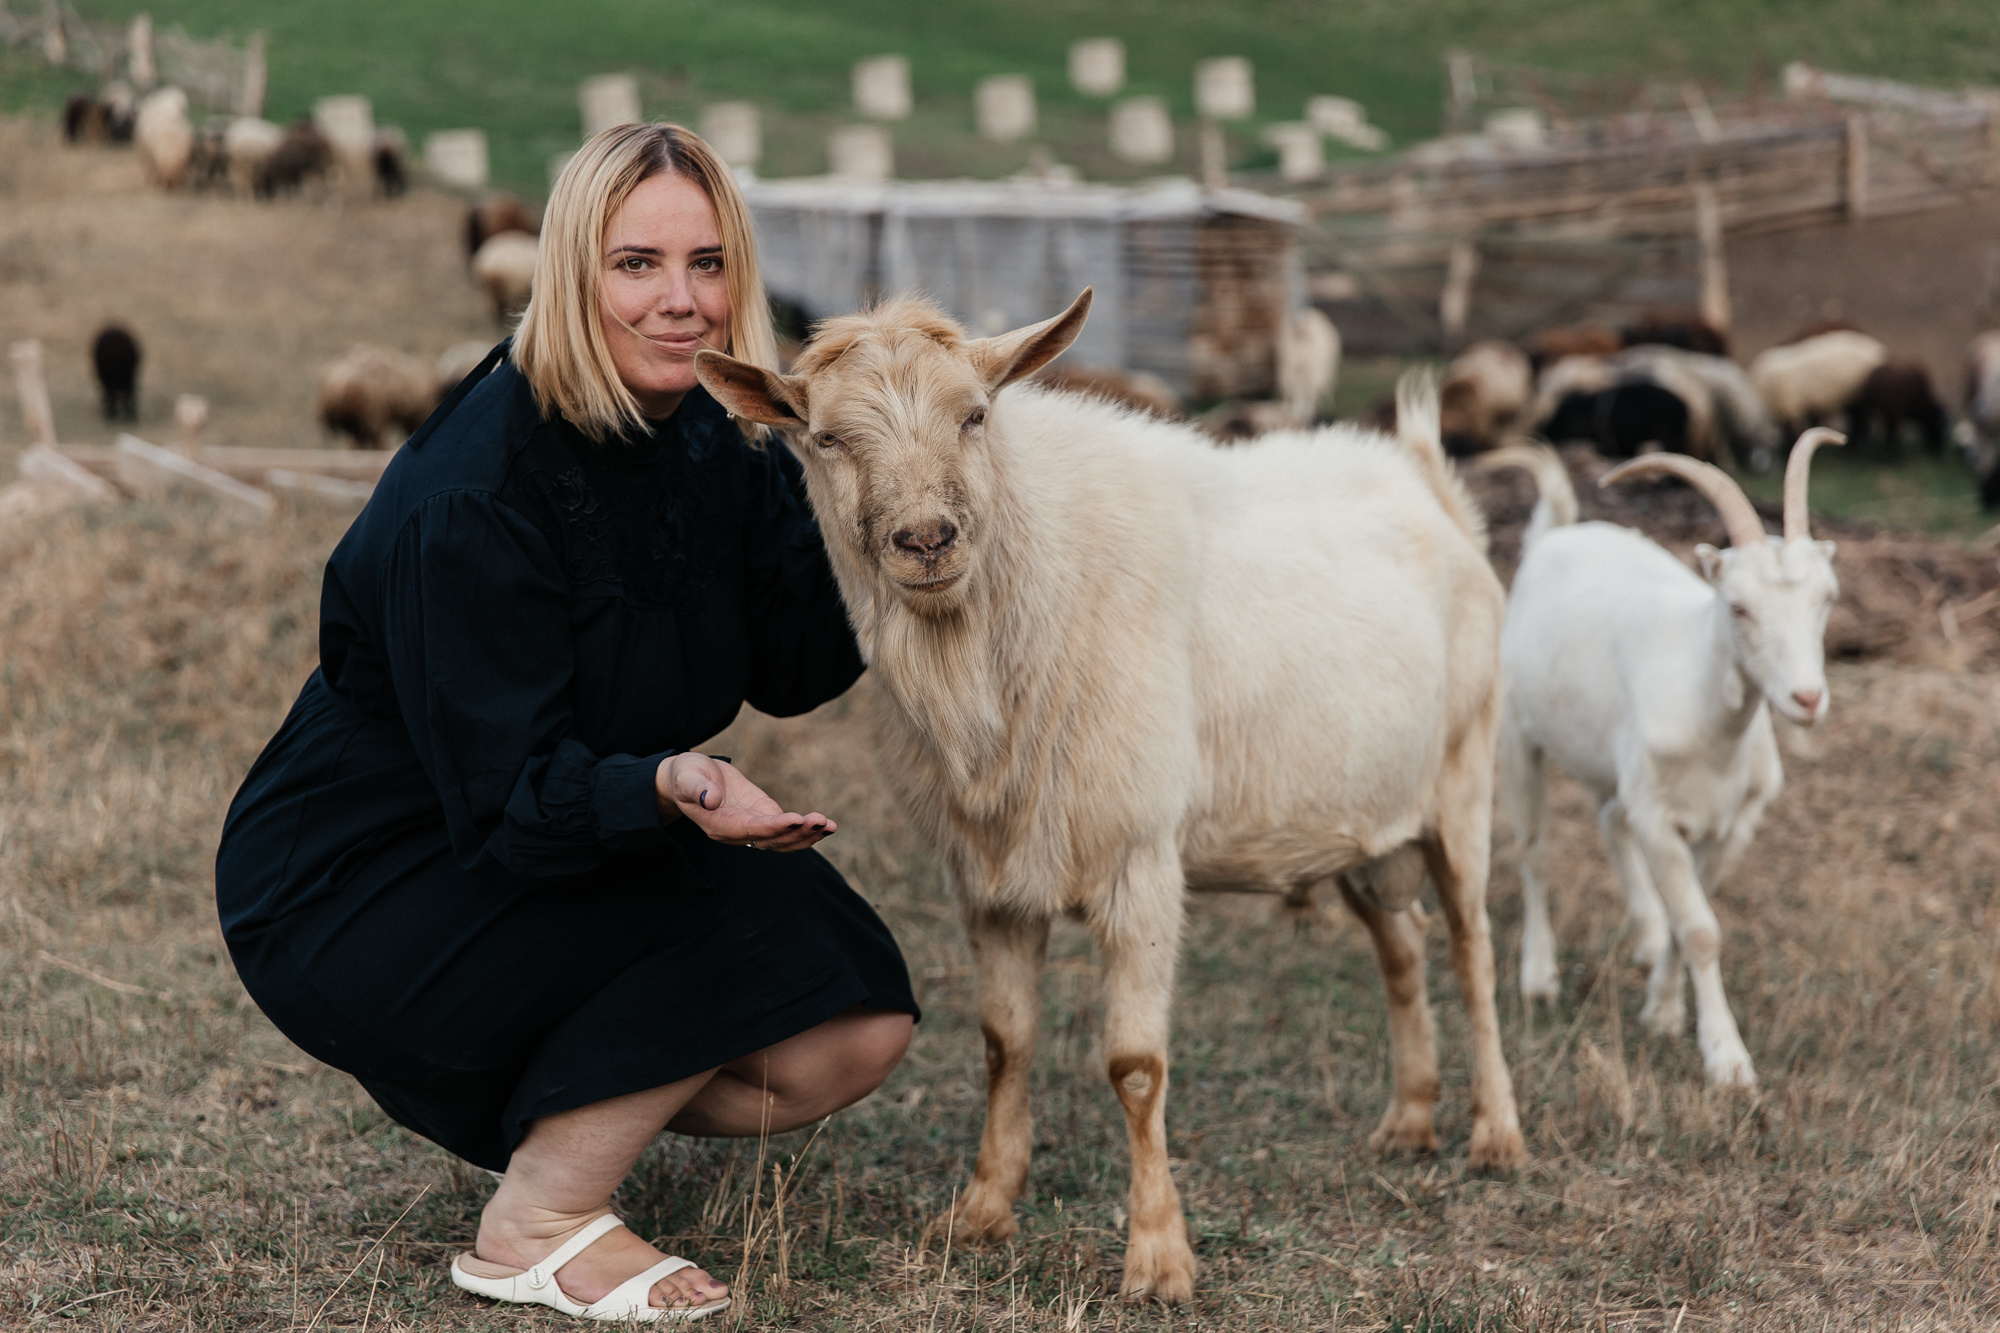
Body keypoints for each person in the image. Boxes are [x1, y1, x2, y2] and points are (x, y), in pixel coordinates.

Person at [214, 123, 917, 1324]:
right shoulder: (481, 488)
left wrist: (878, 492)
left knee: (852, 1013)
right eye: (635, 264)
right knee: (728, 928)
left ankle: (568, 1103)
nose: (680, 302)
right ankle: (535, 1220)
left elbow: (797, 662)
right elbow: (504, 794)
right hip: (365, 873)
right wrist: (663, 790)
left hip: (549, 817)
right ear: (567, 270)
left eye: (707, 265)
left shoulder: (715, 436)